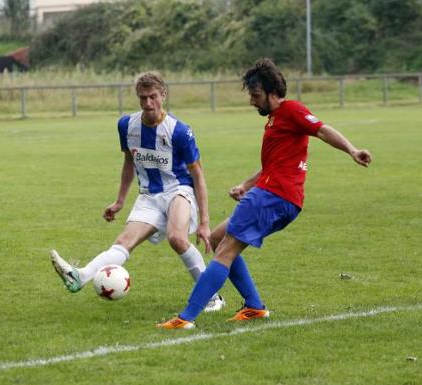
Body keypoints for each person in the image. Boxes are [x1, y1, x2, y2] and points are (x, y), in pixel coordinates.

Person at [156, 58, 372, 330]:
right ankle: (255, 307)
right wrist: (246, 185)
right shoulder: (274, 121)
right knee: (216, 237)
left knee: (223, 251)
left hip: (273, 196)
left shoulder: (291, 110)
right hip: (273, 194)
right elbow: (273, 165)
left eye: (256, 95)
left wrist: (352, 150)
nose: (252, 101)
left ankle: (186, 317)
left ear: (272, 93)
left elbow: (322, 130)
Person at [49, 71, 225, 312]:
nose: (148, 103)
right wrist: (120, 200)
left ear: (163, 95)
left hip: (178, 190)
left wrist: (205, 222)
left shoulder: (179, 131)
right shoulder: (126, 125)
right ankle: (80, 276)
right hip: (149, 196)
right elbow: (129, 162)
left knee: (176, 238)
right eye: (143, 98)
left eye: (153, 97)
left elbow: (198, 176)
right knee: (123, 242)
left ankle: (212, 296)